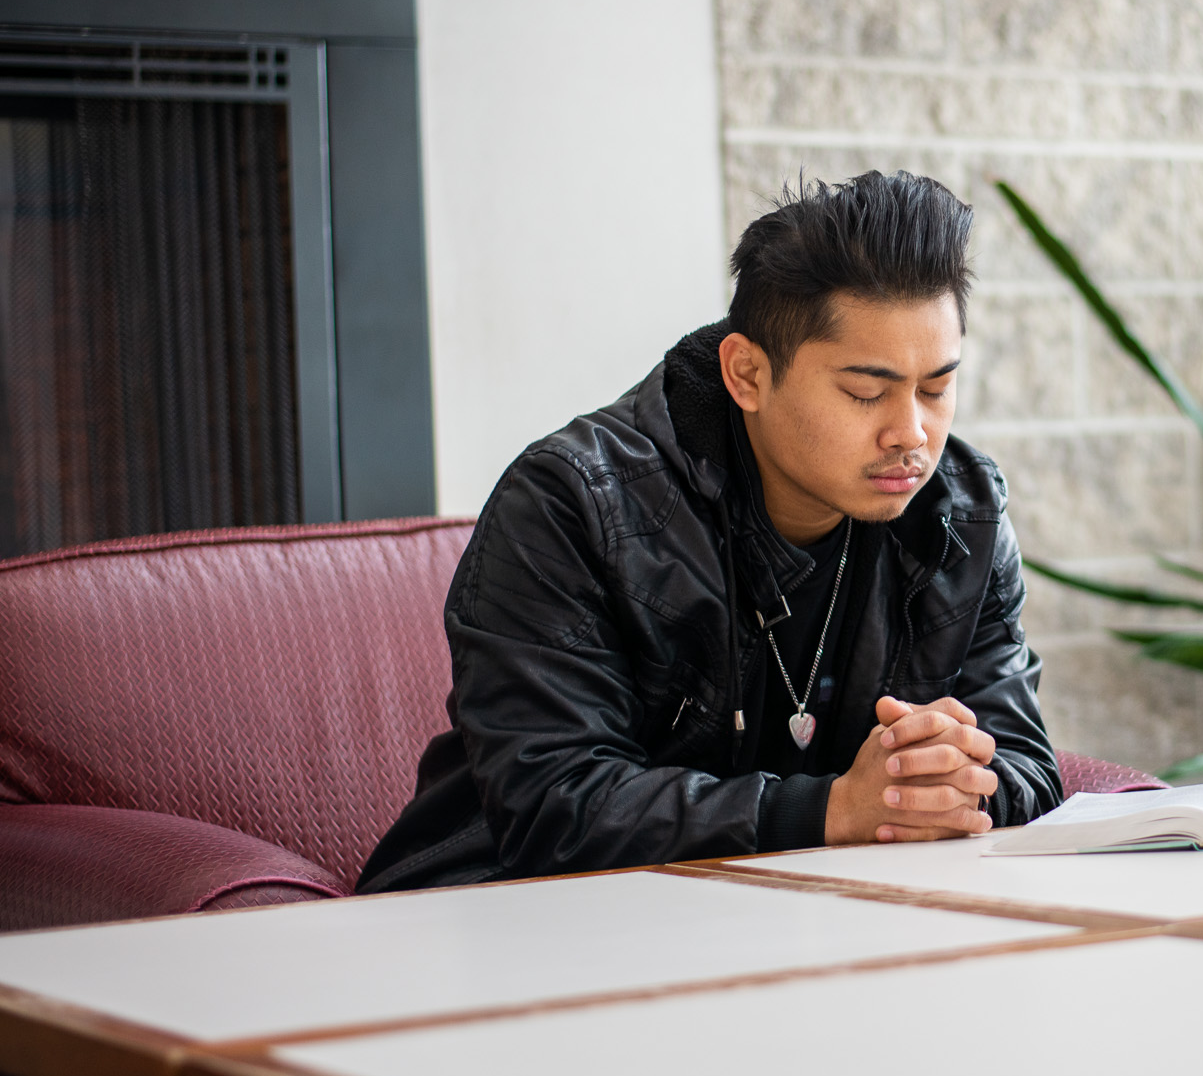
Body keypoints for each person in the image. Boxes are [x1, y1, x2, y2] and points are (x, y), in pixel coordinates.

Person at [359, 172, 1062, 892]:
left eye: (937, 387)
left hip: (802, 933)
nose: (911, 431)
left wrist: (951, 778)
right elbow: (555, 809)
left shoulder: (961, 515)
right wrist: (828, 810)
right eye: (865, 392)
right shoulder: (572, 507)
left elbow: (1029, 766)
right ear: (747, 374)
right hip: (505, 926)